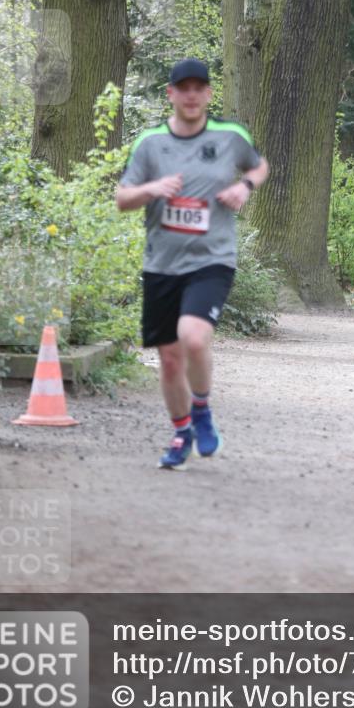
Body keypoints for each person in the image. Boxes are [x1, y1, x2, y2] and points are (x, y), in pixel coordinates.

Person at [115, 58, 269, 469]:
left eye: (199, 88)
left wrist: (245, 186)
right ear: (171, 94)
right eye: (183, 88)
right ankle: (182, 432)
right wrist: (153, 188)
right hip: (161, 265)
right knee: (169, 359)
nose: (191, 95)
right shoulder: (150, 143)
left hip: (211, 260)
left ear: (208, 94)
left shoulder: (229, 136)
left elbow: (259, 166)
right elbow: (122, 199)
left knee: (194, 339)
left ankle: (201, 410)